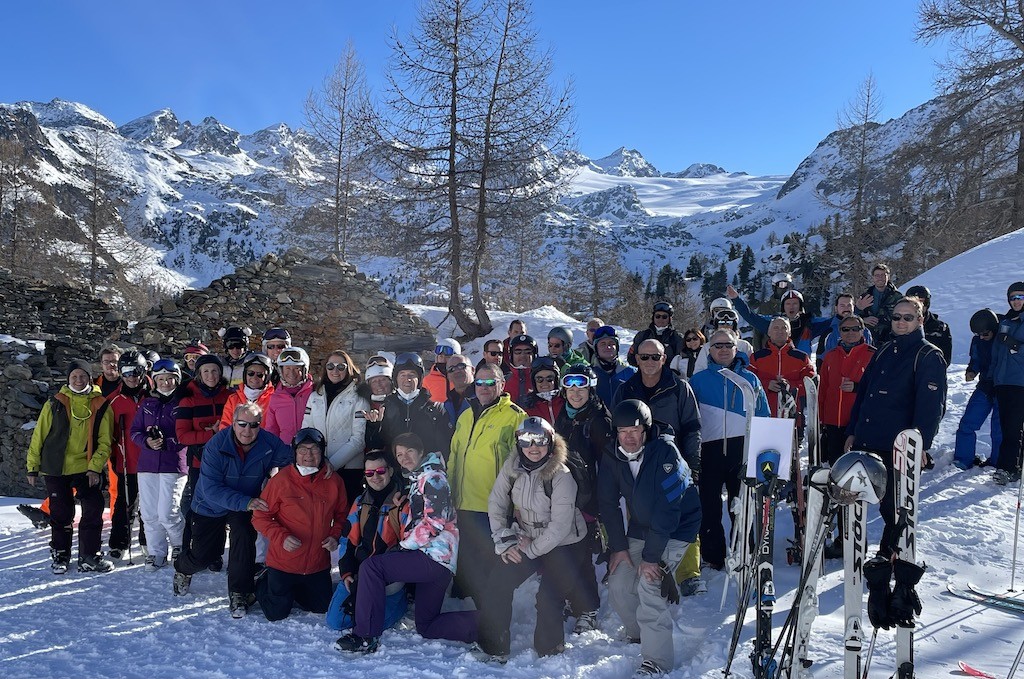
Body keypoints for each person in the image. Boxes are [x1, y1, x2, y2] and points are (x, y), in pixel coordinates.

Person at [335, 433, 478, 654]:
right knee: (426, 625)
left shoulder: (433, 478)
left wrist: (404, 545)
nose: (404, 458)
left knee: (372, 567)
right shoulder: (421, 479)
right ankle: (485, 625)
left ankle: (365, 635)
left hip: (433, 556)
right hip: (440, 563)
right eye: (399, 454)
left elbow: (435, 522)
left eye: (409, 451)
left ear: (421, 451)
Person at [599, 400, 701, 678]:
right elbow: (607, 505)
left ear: (645, 429)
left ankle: (657, 660)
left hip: (677, 526)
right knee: (619, 583)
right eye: (622, 431)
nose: (628, 437)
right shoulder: (612, 455)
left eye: (634, 430)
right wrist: (618, 548)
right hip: (641, 527)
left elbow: (668, 510)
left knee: (649, 584)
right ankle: (640, 634)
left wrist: (651, 558)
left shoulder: (666, 452)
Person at [476, 418, 590, 661]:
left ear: (550, 442)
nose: (533, 447)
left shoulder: (561, 474)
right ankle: (494, 647)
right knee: (499, 582)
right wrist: (505, 542)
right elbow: (496, 502)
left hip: (565, 543)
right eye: (527, 440)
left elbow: (560, 527)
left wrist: (530, 550)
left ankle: (550, 650)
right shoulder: (513, 466)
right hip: (527, 535)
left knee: (549, 595)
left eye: (540, 440)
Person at [172, 403, 294, 618]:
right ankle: (183, 567)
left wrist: (321, 461)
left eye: (254, 425)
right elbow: (211, 489)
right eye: (242, 424)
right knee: (205, 556)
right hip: (211, 504)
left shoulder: (267, 441)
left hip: (246, 501)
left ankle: (240, 592)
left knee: (245, 538)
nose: (248, 430)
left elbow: (294, 456)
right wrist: (246, 502)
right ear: (233, 423)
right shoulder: (216, 445)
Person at [845, 297, 947, 553]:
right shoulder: (884, 350)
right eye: (897, 317)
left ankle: (890, 557)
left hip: (899, 447)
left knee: (896, 508)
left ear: (920, 320)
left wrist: (919, 446)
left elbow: (931, 408)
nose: (901, 322)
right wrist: (852, 431)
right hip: (868, 440)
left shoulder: (928, 355)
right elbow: (864, 395)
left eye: (908, 317)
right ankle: (861, 554)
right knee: (866, 501)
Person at [612, 338, 704, 596]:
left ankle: (688, 573)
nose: (650, 362)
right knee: (639, 516)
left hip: (673, 463)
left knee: (682, 512)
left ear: (664, 358)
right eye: (644, 357)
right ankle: (646, 565)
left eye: (655, 356)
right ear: (636, 358)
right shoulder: (626, 388)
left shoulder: (678, 387)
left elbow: (692, 427)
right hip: (636, 461)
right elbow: (616, 426)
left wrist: (693, 465)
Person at [688, 329, 771, 570]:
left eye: (728, 345)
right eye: (718, 346)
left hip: (741, 450)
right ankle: (714, 556)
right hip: (709, 450)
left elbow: (763, 415)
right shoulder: (698, 380)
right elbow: (689, 418)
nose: (723, 349)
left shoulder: (751, 380)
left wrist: (763, 453)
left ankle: (746, 550)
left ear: (737, 349)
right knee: (709, 506)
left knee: (741, 503)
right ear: (709, 350)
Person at [26, 359, 116, 574]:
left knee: (93, 509)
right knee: (61, 514)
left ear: (89, 378)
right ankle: (60, 555)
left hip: (86, 467)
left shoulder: (101, 404)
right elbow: (39, 435)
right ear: (68, 379)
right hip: (55, 467)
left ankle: (89, 555)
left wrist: (95, 467)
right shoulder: (54, 402)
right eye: (74, 376)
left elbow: (105, 441)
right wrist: (32, 465)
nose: (78, 380)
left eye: (83, 376)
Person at [448, 363, 527, 607]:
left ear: (501, 384)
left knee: (488, 567)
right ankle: (460, 611)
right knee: (466, 563)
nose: (484, 387)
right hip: (462, 503)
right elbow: (454, 455)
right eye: (479, 382)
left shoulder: (515, 416)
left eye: (490, 382)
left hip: (491, 505)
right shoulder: (466, 414)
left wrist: (517, 504)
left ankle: (489, 618)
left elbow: (524, 466)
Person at [252, 428, 349, 621]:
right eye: (303, 450)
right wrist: (281, 537)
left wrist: (335, 535)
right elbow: (259, 517)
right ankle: (263, 580)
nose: (308, 455)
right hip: (284, 563)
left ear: (322, 452)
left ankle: (295, 591)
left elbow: (342, 515)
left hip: (316, 564)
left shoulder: (334, 481)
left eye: (314, 449)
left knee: (321, 607)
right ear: (294, 452)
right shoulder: (280, 481)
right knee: (276, 613)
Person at [326, 449, 409, 632]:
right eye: (369, 473)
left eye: (380, 471)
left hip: (387, 581)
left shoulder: (402, 503)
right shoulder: (360, 502)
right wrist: (347, 573)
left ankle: (400, 601)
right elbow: (348, 541)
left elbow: (409, 547)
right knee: (336, 622)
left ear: (391, 471)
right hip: (358, 576)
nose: (375, 477)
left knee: (375, 622)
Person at [552, 364, 608, 633]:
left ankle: (587, 608)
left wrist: (597, 505)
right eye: (570, 386)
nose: (575, 392)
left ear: (591, 387)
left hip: (587, 499)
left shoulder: (598, 419)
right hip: (563, 495)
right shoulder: (564, 415)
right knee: (562, 551)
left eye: (581, 386)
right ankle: (567, 597)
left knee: (582, 553)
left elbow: (606, 465)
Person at [131, 359, 188, 570]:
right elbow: (134, 431)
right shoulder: (147, 404)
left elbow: (185, 435)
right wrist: (146, 441)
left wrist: (167, 442)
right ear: (154, 381)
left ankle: (180, 545)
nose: (165, 383)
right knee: (148, 513)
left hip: (173, 464)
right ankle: (156, 552)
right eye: (161, 379)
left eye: (170, 379)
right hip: (147, 464)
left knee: (168, 512)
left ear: (177, 380)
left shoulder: (182, 403)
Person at [176, 354, 231, 567]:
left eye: (215, 371)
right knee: (202, 511)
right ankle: (197, 552)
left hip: (227, 462)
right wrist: (212, 435)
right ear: (198, 374)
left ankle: (215, 553)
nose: (211, 375)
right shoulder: (188, 399)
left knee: (223, 511)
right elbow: (183, 436)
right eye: (206, 371)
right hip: (200, 463)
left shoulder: (229, 396)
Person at [303, 349, 369, 501]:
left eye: (341, 367)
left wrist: (332, 464)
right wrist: (314, 459)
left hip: (349, 470)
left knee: (345, 515)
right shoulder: (315, 396)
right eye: (331, 366)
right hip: (318, 466)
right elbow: (307, 431)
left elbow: (358, 439)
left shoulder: (359, 398)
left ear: (348, 369)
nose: (335, 371)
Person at [106, 350, 151, 560]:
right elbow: (106, 434)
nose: (132, 376)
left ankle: (147, 539)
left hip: (152, 461)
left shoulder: (154, 394)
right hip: (127, 461)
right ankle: (119, 542)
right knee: (125, 504)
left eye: (137, 371)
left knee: (150, 506)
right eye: (127, 371)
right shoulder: (113, 401)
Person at [363, 352, 451, 457]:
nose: (407, 379)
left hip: (424, 468)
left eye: (412, 374)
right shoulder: (386, 408)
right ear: (396, 378)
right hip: (395, 468)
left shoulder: (435, 408)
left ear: (419, 378)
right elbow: (375, 446)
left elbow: (444, 446)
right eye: (402, 374)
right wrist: (375, 425)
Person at [818, 315, 875, 466]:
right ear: (840, 331)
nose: (850, 332)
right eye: (845, 329)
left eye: (855, 329)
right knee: (835, 465)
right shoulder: (830, 356)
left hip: (859, 423)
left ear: (863, 331)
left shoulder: (872, 355)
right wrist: (821, 418)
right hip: (833, 422)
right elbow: (823, 388)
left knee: (858, 467)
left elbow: (878, 389)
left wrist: (856, 387)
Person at [953, 309, 1003, 470]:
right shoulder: (978, 340)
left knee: (999, 429)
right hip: (984, 387)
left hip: (1004, 388)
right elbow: (975, 359)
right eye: (978, 334)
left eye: (985, 334)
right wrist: (972, 371)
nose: (981, 337)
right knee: (967, 423)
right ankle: (962, 460)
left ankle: (997, 462)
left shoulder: (1004, 338)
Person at [729, 285, 830, 355]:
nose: (791, 307)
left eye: (795, 303)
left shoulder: (809, 323)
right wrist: (737, 300)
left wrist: (844, 312)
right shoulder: (773, 322)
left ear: (800, 306)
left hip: (801, 368)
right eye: (788, 304)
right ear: (783, 307)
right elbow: (750, 316)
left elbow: (833, 322)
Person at [747, 317, 816, 418]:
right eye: (776, 328)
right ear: (769, 332)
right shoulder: (757, 357)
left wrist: (790, 385)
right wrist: (766, 385)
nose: (780, 331)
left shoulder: (801, 357)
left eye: (784, 328)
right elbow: (748, 382)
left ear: (789, 332)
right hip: (763, 414)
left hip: (792, 414)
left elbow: (811, 384)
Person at [991, 282, 1024, 484]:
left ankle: (1006, 468)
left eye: (1020, 297)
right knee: (1007, 426)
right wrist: (991, 378)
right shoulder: (1006, 321)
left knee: (1012, 427)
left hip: (1020, 382)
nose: (1016, 301)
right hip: (1003, 382)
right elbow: (996, 353)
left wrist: (1015, 345)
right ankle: (1014, 465)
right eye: (1013, 298)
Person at [265, 347, 314, 446]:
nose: (291, 373)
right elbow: (271, 431)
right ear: (281, 370)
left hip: (310, 453)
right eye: (287, 368)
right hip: (285, 454)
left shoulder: (315, 393)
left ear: (305, 370)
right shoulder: (275, 397)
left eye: (296, 368)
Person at [813, 293, 874, 369]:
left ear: (853, 307)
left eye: (849, 305)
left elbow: (872, 357)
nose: (846, 308)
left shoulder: (864, 331)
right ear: (836, 308)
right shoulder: (829, 331)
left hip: (860, 377)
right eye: (842, 305)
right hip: (836, 375)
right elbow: (821, 358)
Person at [219, 352, 275, 431]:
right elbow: (225, 427)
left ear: (267, 377)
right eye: (250, 373)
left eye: (260, 375)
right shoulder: (233, 399)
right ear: (245, 374)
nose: (254, 378)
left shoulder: (274, 399)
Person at [855, 263, 903, 345]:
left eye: (883, 275)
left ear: (888, 277)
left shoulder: (898, 297)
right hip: (869, 340)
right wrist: (863, 320)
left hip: (890, 339)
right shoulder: (866, 296)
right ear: (873, 278)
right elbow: (854, 317)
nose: (880, 278)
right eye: (877, 275)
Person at [906, 284, 953, 366]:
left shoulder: (940, 328)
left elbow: (945, 359)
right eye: (913, 302)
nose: (918, 306)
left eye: (921, 301)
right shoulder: (898, 325)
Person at [628, 301, 686, 367]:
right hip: (645, 375)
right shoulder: (642, 335)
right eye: (657, 316)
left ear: (670, 319)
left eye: (664, 317)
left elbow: (682, 362)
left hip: (668, 376)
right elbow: (632, 358)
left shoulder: (677, 338)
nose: (660, 319)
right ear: (653, 318)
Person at [591, 325, 636, 405]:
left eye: (611, 343)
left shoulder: (632, 373)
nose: (607, 347)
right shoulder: (589, 374)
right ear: (596, 349)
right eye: (602, 344)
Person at [520, 356, 564, 424]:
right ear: (534, 382)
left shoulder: (566, 401)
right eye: (539, 379)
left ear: (556, 380)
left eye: (549, 378)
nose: (545, 383)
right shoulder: (527, 407)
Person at [422, 338, 461, 403]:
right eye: (440, 357)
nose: (443, 360)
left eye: (448, 357)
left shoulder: (465, 378)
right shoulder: (427, 380)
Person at [442, 354, 475, 427]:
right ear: (448, 376)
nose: (456, 371)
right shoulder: (446, 405)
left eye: (461, 366)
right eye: (451, 369)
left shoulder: (484, 397)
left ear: (472, 370)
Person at [505, 334, 538, 404]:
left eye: (528, 352)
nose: (522, 355)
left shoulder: (542, 379)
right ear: (511, 355)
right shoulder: (503, 381)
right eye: (518, 352)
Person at [358, 355, 393, 420]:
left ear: (391, 382)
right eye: (374, 382)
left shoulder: (402, 403)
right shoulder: (361, 404)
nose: (378, 385)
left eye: (383, 380)